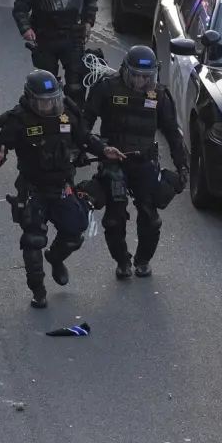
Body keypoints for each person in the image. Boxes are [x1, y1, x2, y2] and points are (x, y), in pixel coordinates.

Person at [0, 70, 105, 308]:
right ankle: (38, 290)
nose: (51, 106)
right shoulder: (18, 120)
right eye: (45, 102)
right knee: (33, 240)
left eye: (54, 100)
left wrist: (104, 150)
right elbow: (0, 143)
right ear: (32, 100)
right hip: (34, 187)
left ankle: (56, 257)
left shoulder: (67, 113)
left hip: (62, 186)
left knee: (75, 231)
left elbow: (84, 137)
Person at [81, 45, 186, 278]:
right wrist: (97, 148)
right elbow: (83, 124)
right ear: (125, 70)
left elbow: (172, 133)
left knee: (150, 217)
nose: (140, 81)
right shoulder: (106, 88)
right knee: (114, 219)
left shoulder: (158, 95)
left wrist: (183, 165)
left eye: (146, 77)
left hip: (144, 161)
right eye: (136, 75)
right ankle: (122, 261)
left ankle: (143, 260)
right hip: (113, 160)